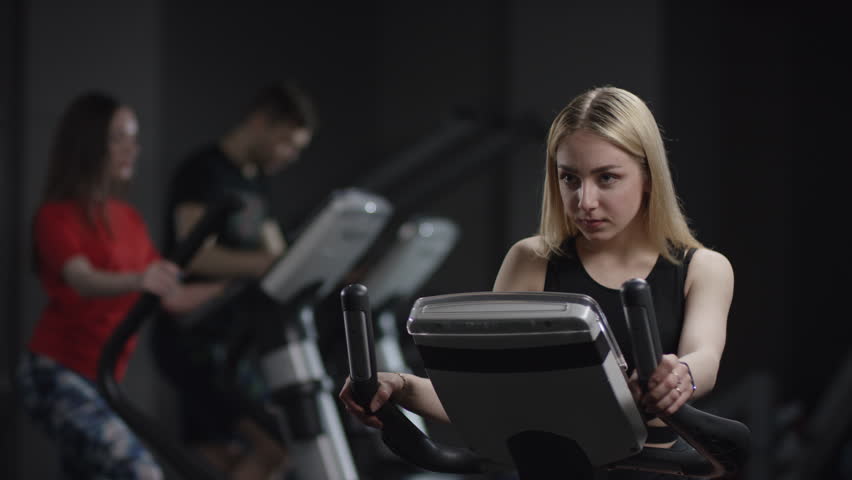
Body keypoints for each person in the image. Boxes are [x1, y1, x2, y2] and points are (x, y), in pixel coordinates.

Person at [339, 86, 734, 479]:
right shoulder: (532, 260)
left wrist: (679, 375)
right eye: (570, 179)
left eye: (607, 178)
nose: (585, 201)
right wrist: (400, 387)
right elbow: (485, 396)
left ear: (648, 176)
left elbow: (704, 357)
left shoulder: (703, 268)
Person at [16, 91, 224, 479]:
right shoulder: (55, 216)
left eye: (134, 137)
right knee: (138, 470)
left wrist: (235, 286)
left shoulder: (127, 218)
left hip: (103, 377)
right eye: (119, 138)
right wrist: (140, 278)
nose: (133, 148)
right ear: (89, 143)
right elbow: (83, 280)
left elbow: (173, 297)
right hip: (55, 374)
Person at [150, 82, 317, 479]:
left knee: (219, 458)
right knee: (274, 446)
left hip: (231, 340)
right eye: (286, 143)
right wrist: (266, 263)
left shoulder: (254, 180)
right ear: (259, 122)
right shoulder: (204, 171)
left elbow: (278, 252)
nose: (291, 156)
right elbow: (195, 254)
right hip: (192, 338)